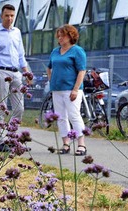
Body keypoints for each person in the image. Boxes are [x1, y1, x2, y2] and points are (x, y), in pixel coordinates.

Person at [0, 4, 32, 151]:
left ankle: (11, 138)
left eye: (12, 15)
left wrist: (27, 72)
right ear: (1, 16)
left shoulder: (17, 32)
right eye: (7, 15)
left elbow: (21, 55)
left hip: (16, 72)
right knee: (1, 107)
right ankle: (0, 142)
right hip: (0, 72)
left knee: (19, 108)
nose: (10, 18)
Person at [47, 24, 88, 156]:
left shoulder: (77, 51)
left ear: (70, 36)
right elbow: (49, 67)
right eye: (58, 36)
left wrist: (75, 89)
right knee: (61, 117)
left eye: (62, 35)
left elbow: (82, 70)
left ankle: (81, 144)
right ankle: (66, 143)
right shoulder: (55, 51)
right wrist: (51, 80)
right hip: (57, 89)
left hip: (71, 89)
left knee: (74, 115)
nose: (60, 38)